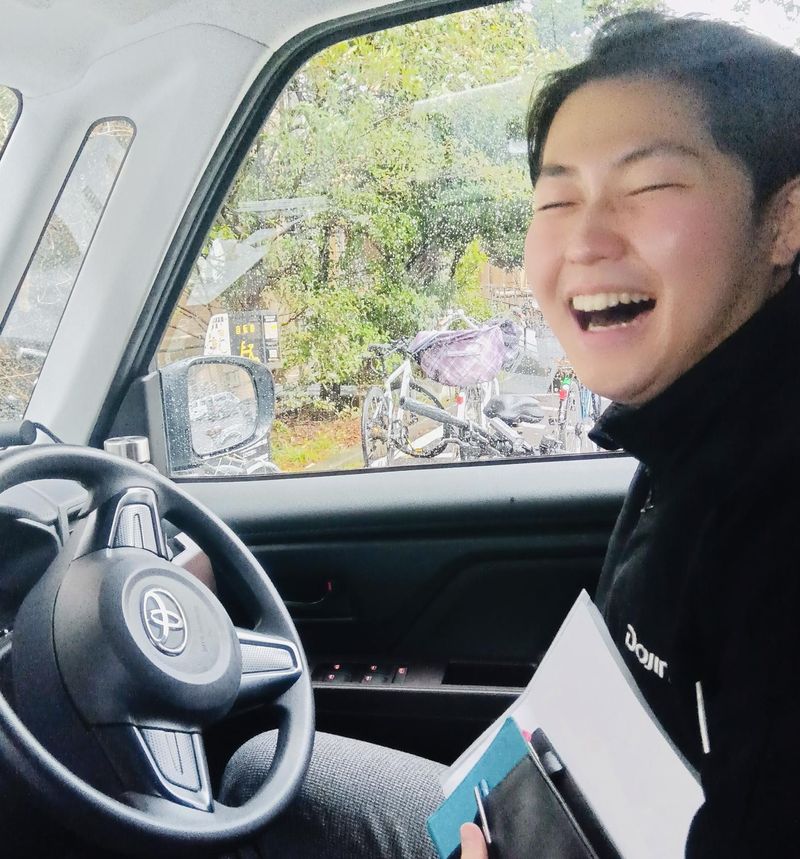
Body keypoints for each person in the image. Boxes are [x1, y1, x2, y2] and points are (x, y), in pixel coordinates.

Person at [222, 12, 800, 857]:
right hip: (580, 819)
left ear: (786, 218)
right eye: (557, 201)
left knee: (260, 781)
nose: (585, 242)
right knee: (264, 773)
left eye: (648, 188)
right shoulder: (692, 423)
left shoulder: (772, 514)